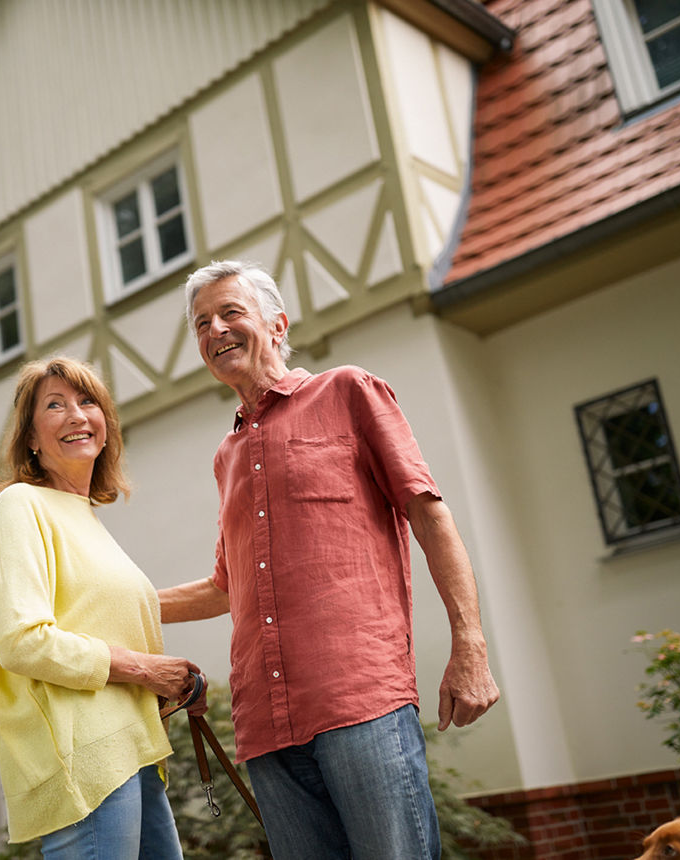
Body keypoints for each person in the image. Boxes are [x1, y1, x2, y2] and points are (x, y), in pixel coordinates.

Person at [158, 260, 501, 860]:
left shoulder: (348, 391)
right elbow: (224, 587)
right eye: (201, 323)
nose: (215, 330)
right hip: (265, 725)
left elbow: (430, 516)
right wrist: (108, 604)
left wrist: (470, 646)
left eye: (231, 313)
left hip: (359, 701)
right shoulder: (226, 456)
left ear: (278, 324)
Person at [0, 356, 204, 859]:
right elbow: (20, 639)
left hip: (135, 752)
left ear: (106, 423)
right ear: (31, 438)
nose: (76, 415)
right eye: (55, 405)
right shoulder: (19, 506)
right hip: (86, 761)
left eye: (87, 401)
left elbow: (112, 617)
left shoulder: (86, 519)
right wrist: (145, 670)